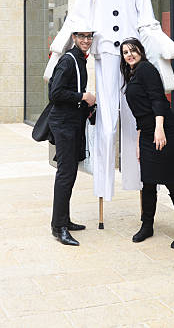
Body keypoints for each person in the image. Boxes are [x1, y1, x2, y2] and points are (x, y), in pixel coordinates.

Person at [44, 0, 174, 203]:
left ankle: (137, 182)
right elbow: (79, 12)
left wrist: (156, 41)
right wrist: (58, 49)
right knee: (106, 123)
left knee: (135, 116)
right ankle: (103, 188)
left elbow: (145, 10)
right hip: (105, 51)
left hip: (131, 53)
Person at [120, 38, 174, 249]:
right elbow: (140, 112)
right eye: (125, 52)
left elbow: (158, 99)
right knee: (149, 181)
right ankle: (147, 225)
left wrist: (159, 128)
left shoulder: (146, 69)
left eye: (132, 50)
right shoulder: (133, 74)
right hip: (147, 133)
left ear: (141, 51)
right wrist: (139, 138)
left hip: (163, 130)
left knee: (171, 181)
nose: (129, 54)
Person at [48, 24, 96, 246]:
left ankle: (64, 220)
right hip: (64, 124)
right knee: (65, 175)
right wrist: (83, 97)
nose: (86, 40)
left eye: (89, 36)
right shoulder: (68, 59)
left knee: (69, 174)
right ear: (74, 37)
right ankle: (59, 228)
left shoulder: (80, 59)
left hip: (72, 123)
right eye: (82, 36)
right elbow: (55, 93)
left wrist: (87, 106)